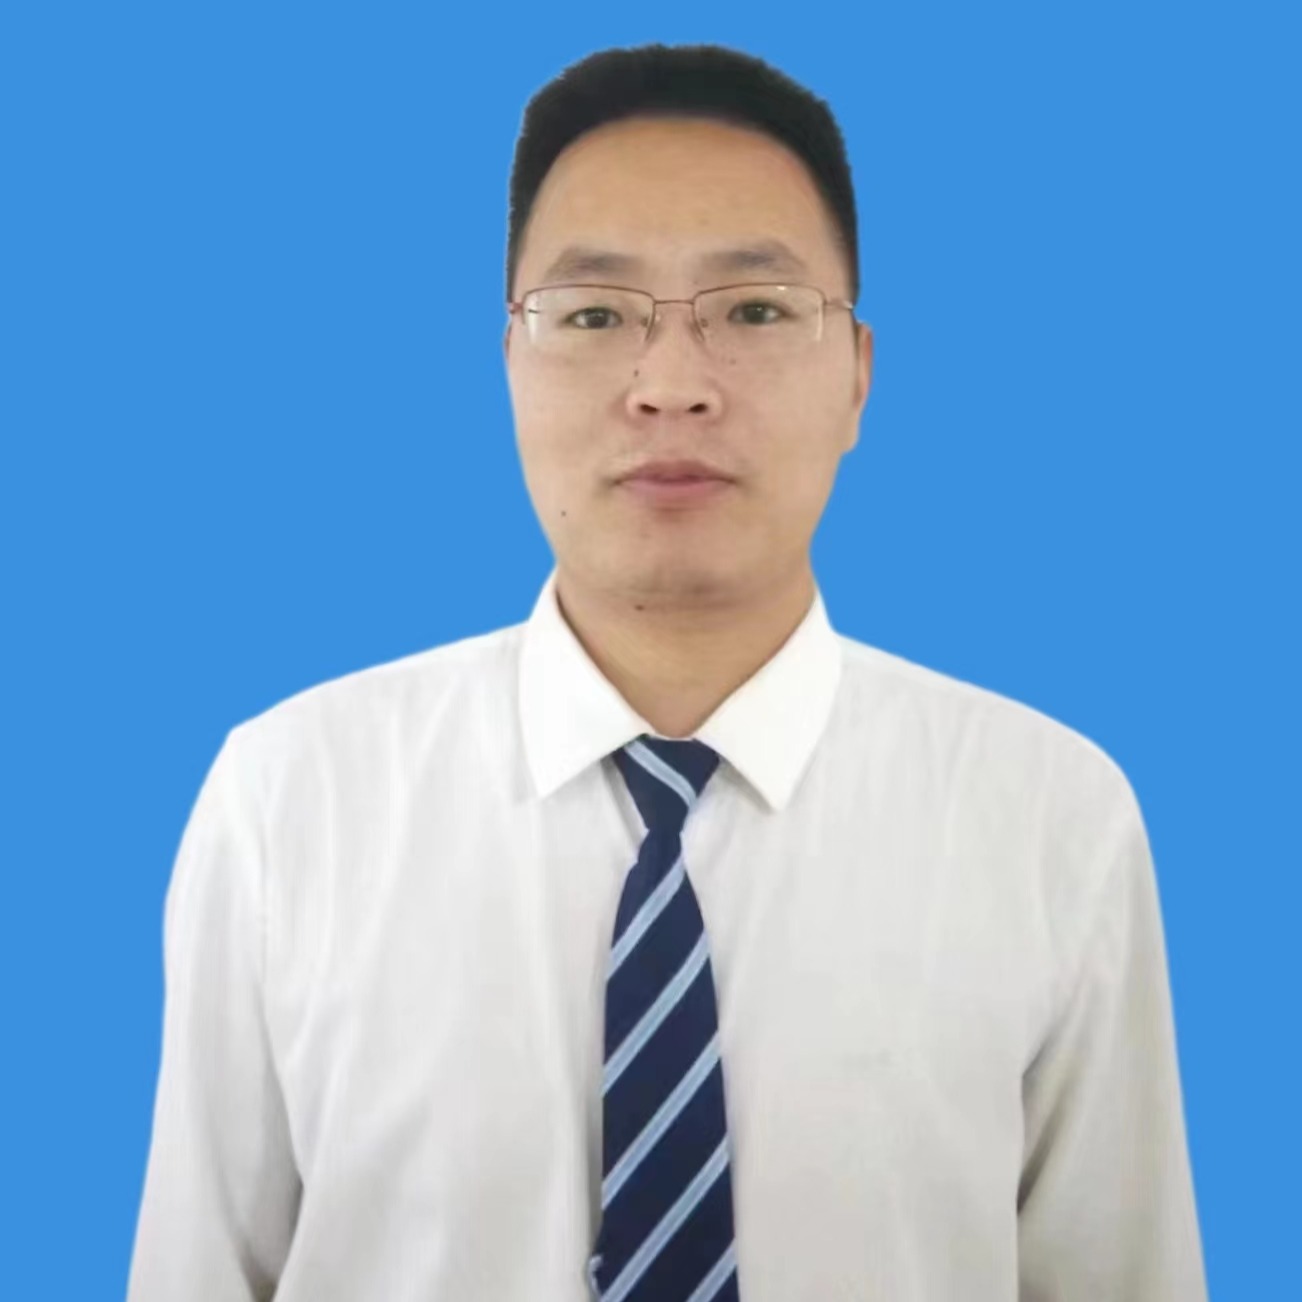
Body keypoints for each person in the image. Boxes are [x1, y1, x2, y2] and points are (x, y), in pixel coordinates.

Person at [126, 42, 1208, 1302]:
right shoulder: (290, 802)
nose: (673, 387)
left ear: (859, 376)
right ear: (511, 363)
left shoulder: (1051, 816)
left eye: (755, 310)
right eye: (594, 315)